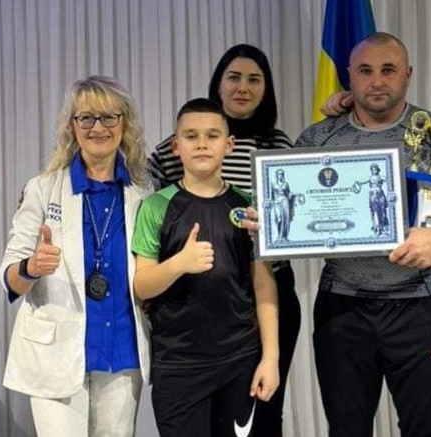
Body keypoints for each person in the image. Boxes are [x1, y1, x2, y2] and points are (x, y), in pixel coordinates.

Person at [294, 32, 431, 437]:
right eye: (365, 71)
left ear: (408, 75)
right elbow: (288, 204)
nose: (377, 81)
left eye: (388, 70)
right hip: (342, 307)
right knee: (346, 430)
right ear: (349, 76)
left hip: (419, 305)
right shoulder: (319, 138)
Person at [148, 43, 300, 437]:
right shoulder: (171, 154)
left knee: (264, 412)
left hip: (261, 292)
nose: (243, 87)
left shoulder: (278, 145)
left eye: (254, 79)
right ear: (218, 84)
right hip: (190, 299)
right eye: (234, 77)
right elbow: (144, 202)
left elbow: (296, 217)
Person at [0, 75, 152, 436]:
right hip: (55, 354)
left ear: (125, 124)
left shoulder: (143, 193)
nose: (98, 127)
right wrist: (31, 267)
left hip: (122, 352)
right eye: (86, 118)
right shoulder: (42, 189)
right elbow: (10, 279)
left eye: (108, 117)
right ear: (72, 126)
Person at [132, 98, 279, 436]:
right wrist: (179, 264)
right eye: (191, 136)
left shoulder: (248, 207)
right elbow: (141, 286)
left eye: (212, 135)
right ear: (175, 146)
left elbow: (263, 285)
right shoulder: (156, 206)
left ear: (229, 145)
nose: (201, 144)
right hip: (178, 365)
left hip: (239, 360)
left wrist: (270, 358)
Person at [353, 162, 390, 236]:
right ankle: (376, 227)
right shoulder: (369, 178)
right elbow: (362, 181)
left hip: (380, 194)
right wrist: (357, 183)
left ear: (378, 170)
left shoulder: (381, 177)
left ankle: (384, 227)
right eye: (372, 169)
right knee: (374, 211)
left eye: (375, 169)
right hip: (373, 195)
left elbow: (390, 180)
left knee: (383, 211)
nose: (374, 171)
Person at [270, 168, 296, 242]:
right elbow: (272, 194)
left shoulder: (286, 184)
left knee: (286, 219)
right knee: (279, 219)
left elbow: (288, 193)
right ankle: (279, 236)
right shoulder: (273, 184)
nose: (280, 176)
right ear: (276, 175)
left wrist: (291, 195)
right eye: (279, 174)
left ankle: (285, 236)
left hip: (285, 202)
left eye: (281, 174)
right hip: (277, 202)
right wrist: (273, 202)